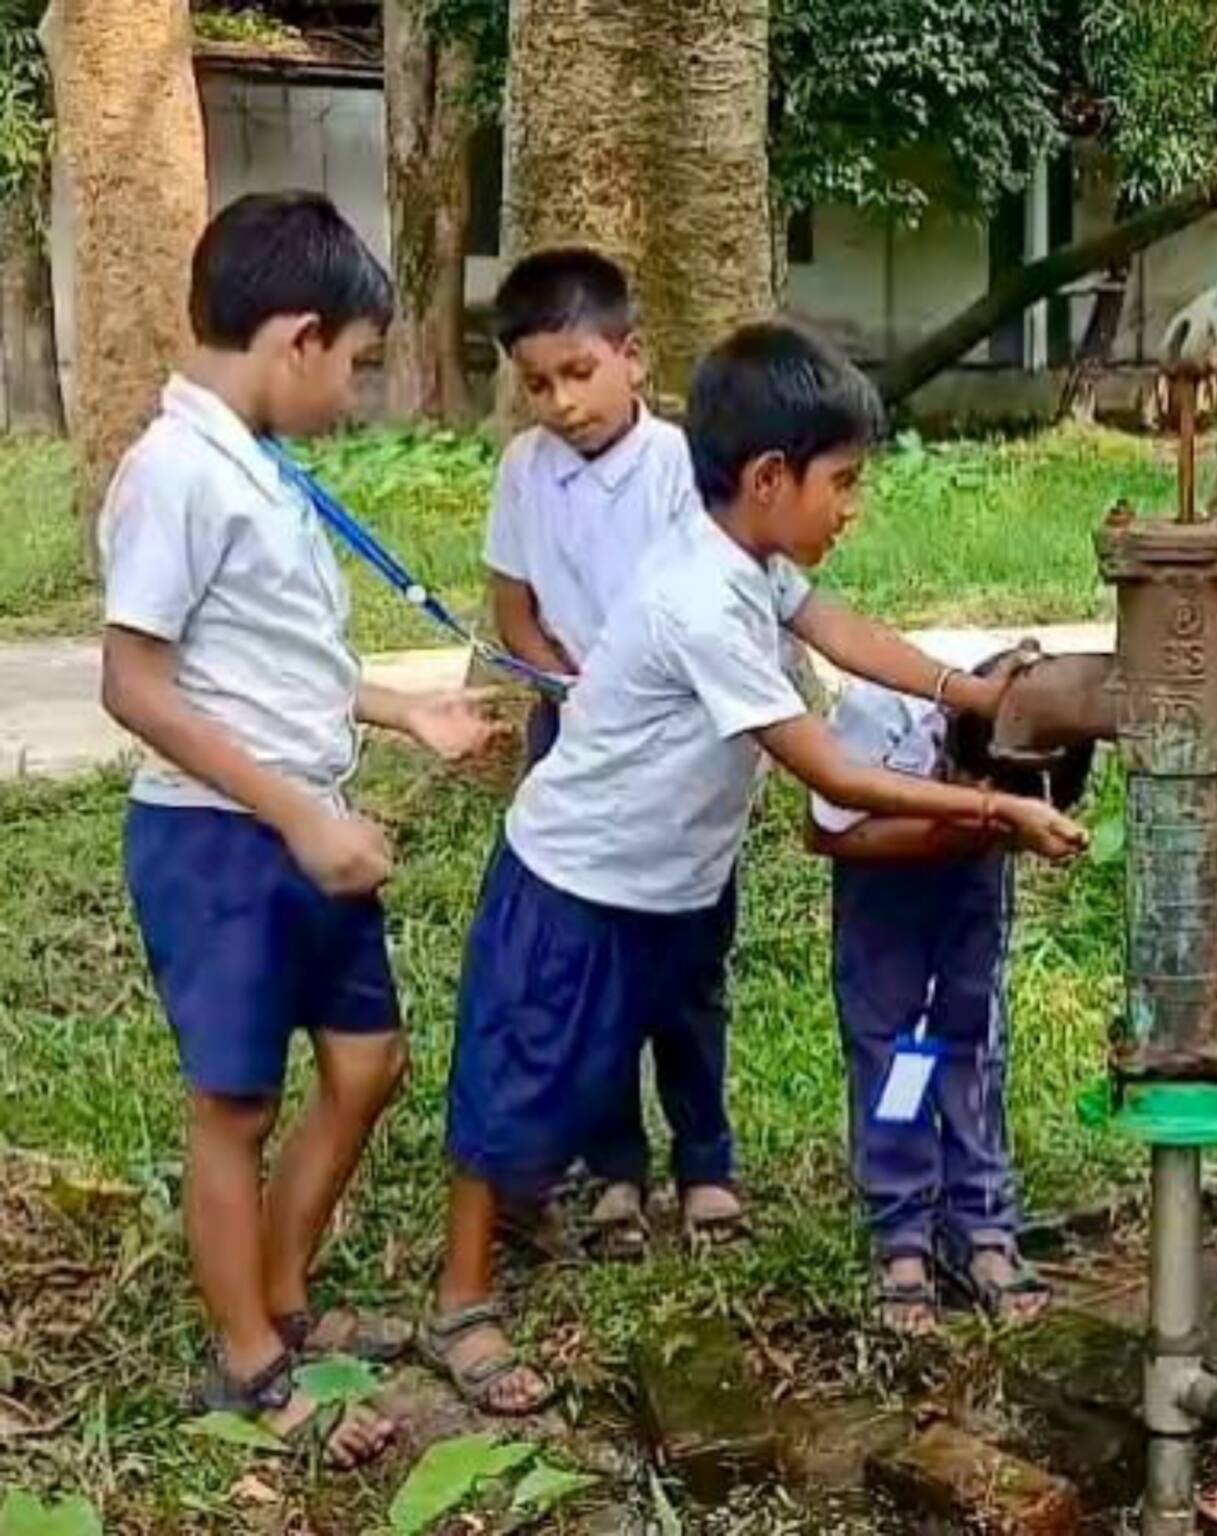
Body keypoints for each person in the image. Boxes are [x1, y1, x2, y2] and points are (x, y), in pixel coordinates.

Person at [427, 323, 1088, 1414]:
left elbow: (841, 631)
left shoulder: (749, 562)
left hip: (672, 883)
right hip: (580, 879)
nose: (852, 506)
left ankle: (964, 1216)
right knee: (517, 1076)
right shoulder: (700, 598)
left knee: (590, 1067)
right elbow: (830, 771)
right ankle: (460, 1299)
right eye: (843, 482)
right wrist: (996, 806)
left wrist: (969, 698)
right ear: (771, 478)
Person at [99, 193, 497, 1464]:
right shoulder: (172, 474)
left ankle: (279, 1292)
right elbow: (135, 683)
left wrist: (399, 714)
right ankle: (250, 1362)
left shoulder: (253, 465)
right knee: (234, 1105)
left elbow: (264, 665)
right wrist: (301, 820)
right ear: (296, 336)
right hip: (221, 843)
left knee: (366, 1062)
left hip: (297, 828)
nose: (359, 392)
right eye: (361, 365)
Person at [482, 247, 706, 1258]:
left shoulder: (680, 467)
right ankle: (615, 1171)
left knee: (689, 968)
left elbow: (707, 613)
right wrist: (563, 690)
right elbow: (513, 608)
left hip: (675, 748)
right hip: (570, 738)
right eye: (537, 384)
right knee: (592, 962)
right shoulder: (523, 471)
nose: (561, 403)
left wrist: (631, 700)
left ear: (631, 357)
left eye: (579, 373)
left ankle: (707, 1163)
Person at [808, 635, 1096, 1334]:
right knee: (901, 1046)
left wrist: (996, 827)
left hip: (971, 876)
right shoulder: (884, 717)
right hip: (886, 884)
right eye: (981, 789)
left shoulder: (1048, 722)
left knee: (969, 1035)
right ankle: (903, 1232)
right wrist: (977, 822)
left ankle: (984, 1226)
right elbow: (828, 834)